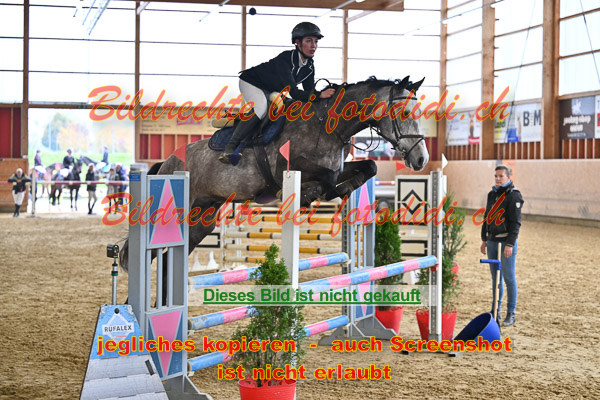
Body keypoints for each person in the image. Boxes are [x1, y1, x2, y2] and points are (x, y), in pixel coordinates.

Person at [219, 21, 336, 164]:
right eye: (309, 41)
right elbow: (294, 93)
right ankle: (230, 146)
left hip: (271, 89)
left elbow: (309, 92)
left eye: (316, 42)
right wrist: (318, 95)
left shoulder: (309, 67)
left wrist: (325, 96)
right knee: (261, 109)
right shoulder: (285, 59)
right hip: (251, 82)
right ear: (298, 43)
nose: (313, 46)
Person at [480, 165, 524, 327]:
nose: (498, 179)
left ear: (508, 177)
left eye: (501, 176)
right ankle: (495, 310)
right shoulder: (492, 194)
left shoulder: (514, 195)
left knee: (509, 278)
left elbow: (516, 223)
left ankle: (511, 312)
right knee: (495, 278)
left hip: (506, 242)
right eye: (496, 176)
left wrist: (510, 243)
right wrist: (484, 238)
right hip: (492, 240)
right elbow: (487, 217)